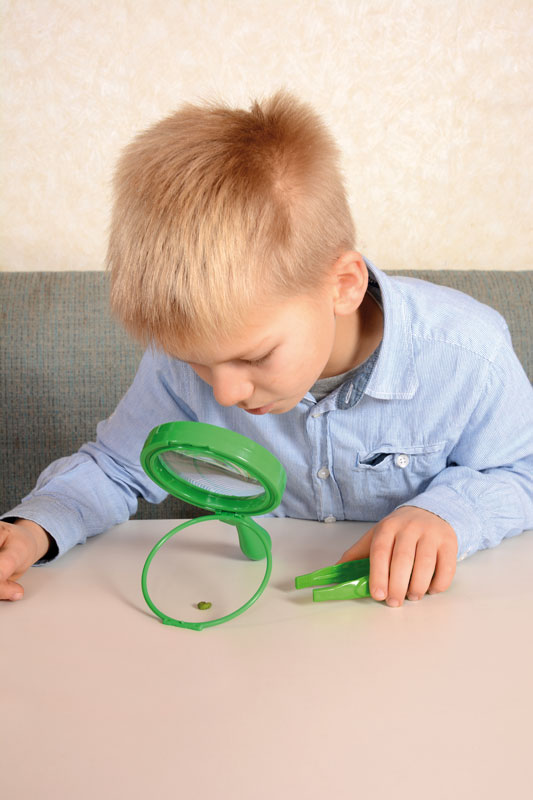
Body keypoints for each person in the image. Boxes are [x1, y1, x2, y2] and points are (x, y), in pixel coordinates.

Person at [1, 91, 532, 608]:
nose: (225, 392)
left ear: (343, 286)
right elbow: (116, 466)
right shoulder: (180, 362)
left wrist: (450, 512)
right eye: (197, 363)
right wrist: (29, 529)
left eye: (254, 358)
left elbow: (523, 469)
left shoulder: (469, 354)